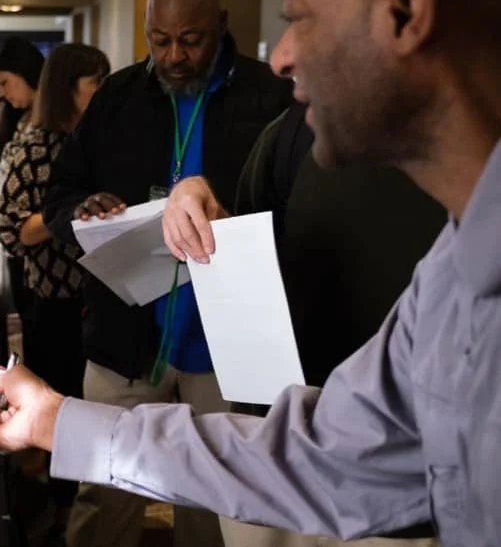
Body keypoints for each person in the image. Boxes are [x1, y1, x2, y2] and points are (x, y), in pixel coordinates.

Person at [0, 0, 501, 547]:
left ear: (404, 10)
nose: (282, 56)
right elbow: (327, 455)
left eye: (300, 17)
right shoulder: (450, 272)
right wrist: (58, 421)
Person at [42, 0, 292, 547]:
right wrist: (82, 210)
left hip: (226, 345)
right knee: (103, 498)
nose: (174, 55)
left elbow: (299, 211)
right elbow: (58, 197)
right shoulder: (117, 97)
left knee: (216, 505)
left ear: (221, 25)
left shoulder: (270, 98)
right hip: (125, 340)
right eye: (160, 40)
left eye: (191, 39)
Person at [164, 104, 445, 547]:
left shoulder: (473, 145)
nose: (282, 67)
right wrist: (193, 201)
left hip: (409, 492)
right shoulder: (291, 134)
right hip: (280, 462)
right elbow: (239, 242)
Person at [0, 43, 110, 537]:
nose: (103, 93)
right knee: (60, 410)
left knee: (89, 411)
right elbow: (12, 232)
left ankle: (73, 507)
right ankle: (60, 515)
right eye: (95, 84)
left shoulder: (99, 139)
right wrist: (69, 214)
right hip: (54, 301)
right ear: (68, 88)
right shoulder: (32, 147)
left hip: (101, 298)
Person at [0, 37, 46, 325]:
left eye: (4, 82)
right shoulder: (19, 121)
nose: (1, 92)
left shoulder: (50, 127)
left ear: (25, 71)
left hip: (37, 247)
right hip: (13, 241)